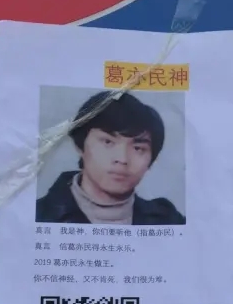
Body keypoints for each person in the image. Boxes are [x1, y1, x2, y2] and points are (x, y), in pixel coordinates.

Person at [36, 91, 185, 225]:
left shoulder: (169, 220)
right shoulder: (39, 215)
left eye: (138, 148)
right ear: (80, 145)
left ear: (151, 159)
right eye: (108, 142)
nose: (122, 159)